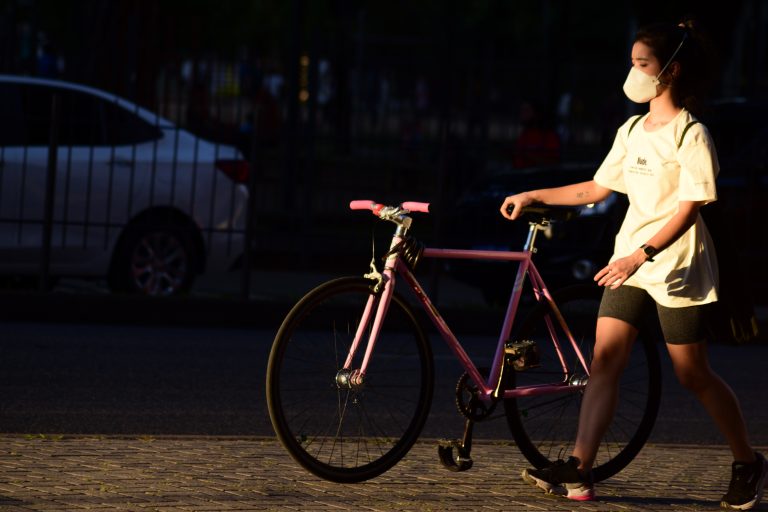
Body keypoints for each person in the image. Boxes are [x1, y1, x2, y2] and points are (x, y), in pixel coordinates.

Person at [500, 19, 766, 510]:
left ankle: (748, 460)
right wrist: (532, 193)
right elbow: (596, 189)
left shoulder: (691, 133)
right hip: (630, 263)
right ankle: (580, 471)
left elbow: (690, 209)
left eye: (642, 64)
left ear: (671, 71)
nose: (633, 73)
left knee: (692, 373)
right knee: (605, 360)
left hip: (678, 267)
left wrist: (641, 254)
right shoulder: (631, 129)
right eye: (632, 63)